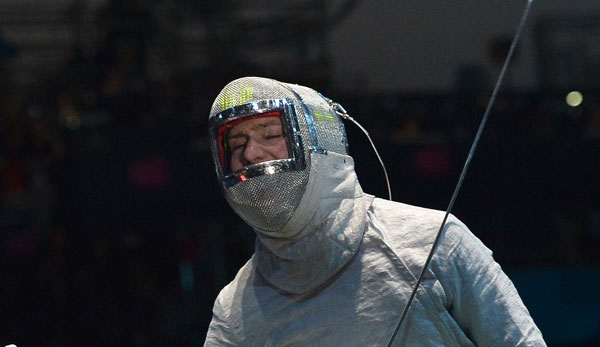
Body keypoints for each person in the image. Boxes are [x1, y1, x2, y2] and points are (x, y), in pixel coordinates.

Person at [204, 76, 546, 346]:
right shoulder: (236, 309)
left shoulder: (433, 241)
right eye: (236, 144)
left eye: (270, 133)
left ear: (318, 144)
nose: (251, 153)